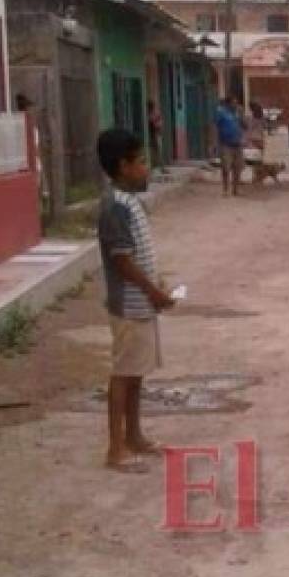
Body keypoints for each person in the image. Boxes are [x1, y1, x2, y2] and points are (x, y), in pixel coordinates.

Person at [96, 128, 176, 471]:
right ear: (123, 165)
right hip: (130, 305)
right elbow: (123, 260)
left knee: (136, 373)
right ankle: (116, 449)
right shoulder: (116, 207)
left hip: (140, 302)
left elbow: (138, 255)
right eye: (140, 161)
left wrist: (157, 285)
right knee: (123, 374)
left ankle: (135, 435)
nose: (146, 167)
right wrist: (152, 290)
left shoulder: (130, 203)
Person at [214, 96, 245, 196]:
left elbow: (245, 126)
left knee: (238, 168)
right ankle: (225, 189)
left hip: (238, 144)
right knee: (226, 167)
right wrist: (214, 142)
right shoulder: (221, 113)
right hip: (225, 144)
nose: (235, 105)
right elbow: (215, 126)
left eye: (236, 103)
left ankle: (236, 189)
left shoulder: (238, 113)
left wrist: (242, 116)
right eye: (233, 103)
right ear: (228, 104)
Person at [146, 99, 165, 172]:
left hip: (155, 134)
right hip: (151, 134)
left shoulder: (155, 114)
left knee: (157, 150)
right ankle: (156, 166)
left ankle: (161, 167)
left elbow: (159, 124)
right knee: (155, 150)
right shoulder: (150, 114)